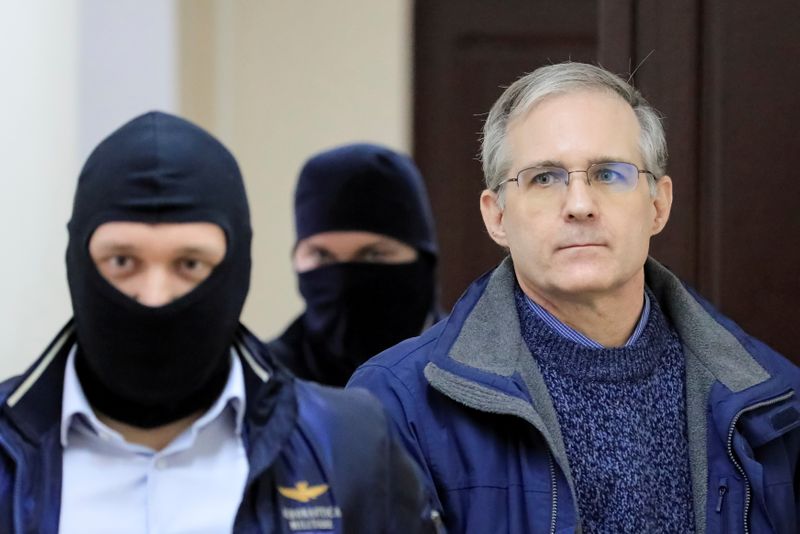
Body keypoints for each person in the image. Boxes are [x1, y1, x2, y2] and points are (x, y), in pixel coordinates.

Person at [348, 62, 800, 533]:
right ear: (497, 216)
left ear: (658, 205)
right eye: (544, 178)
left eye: (608, 173)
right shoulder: (396, 403)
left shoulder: (774, 400)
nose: (580, 204)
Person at [0, 112, 442, 533]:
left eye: (190, 263)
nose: (155, 297)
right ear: (78, 262)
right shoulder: (9, 450)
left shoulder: (352, 446)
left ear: (236, 269)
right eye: (122, 261)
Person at [268, 143, 440, 386]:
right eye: (322, 255)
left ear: (423, 259)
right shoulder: (259, 388)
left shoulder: (479, 379)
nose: (344, 279)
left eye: (373, 255)